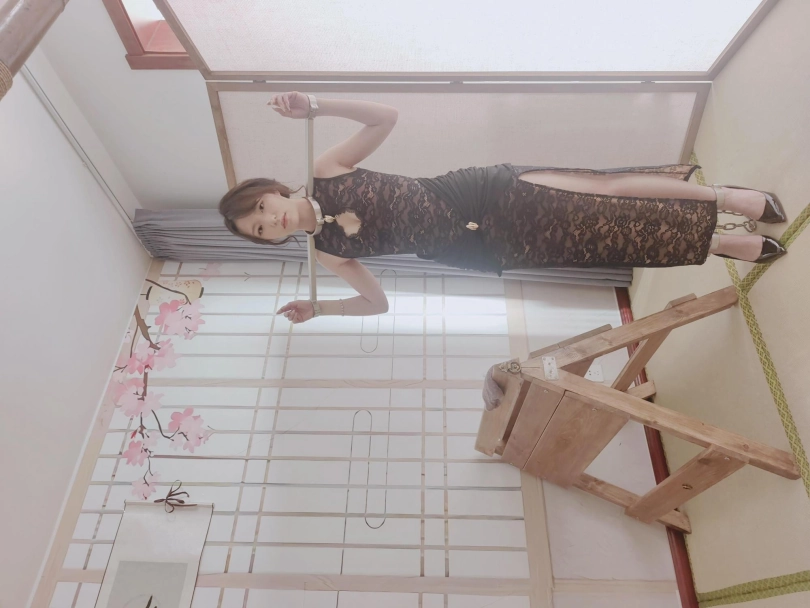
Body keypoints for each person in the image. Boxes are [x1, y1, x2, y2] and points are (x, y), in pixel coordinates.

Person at [219, 92, 787, 324]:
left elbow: (385, 118)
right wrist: (322, 310)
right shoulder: (325, 253)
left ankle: (725, 197)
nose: (272, 220)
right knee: (608, 238)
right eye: (262, 230)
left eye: (263, 207)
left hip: (479, 194)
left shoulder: (325, 168)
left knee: (605, 194)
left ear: (273, 189)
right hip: (481, 247)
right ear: (272, 241)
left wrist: (316, 106)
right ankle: (720, 243)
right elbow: (378, 303)